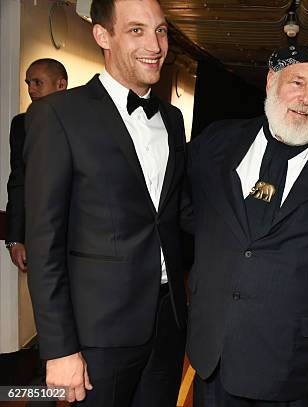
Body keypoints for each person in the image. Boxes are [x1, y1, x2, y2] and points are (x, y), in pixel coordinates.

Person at [187, 44, 308, 407]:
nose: (306, 99)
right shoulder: (216, 143)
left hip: (293, 372)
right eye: (297, 83)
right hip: (212, 357)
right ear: (270, 82)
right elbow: (186, 215)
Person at [24, 0, 192, 405]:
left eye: (161, 30)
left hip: (167, 325)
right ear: (103, 36)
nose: (155, 44)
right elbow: (44, 242)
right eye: (136, 30)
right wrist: (60, 349)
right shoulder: (57, 115)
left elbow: (176, 216)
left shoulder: (171, 119)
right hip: (97, 335)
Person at [5, 58, 68, 273]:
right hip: (39, 238)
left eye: (37, 82)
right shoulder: (21, 124)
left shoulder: (83, 121)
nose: (31, 89)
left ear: (61, 85)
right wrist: (14, 239)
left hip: (82, 237)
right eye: (28, 83)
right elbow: (18, 181)